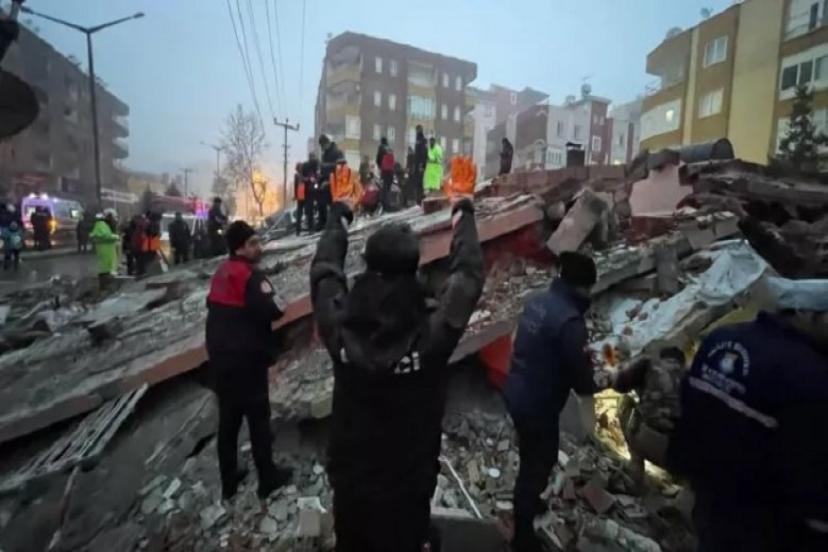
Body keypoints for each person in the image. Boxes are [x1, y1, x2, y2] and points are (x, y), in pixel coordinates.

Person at [310, 182, 485, 551]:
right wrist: (462, 211)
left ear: (368, 265)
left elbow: (324, 272)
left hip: (352, 486)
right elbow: (468, 276)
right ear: (414, 269)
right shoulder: (430, 335)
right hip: (409, 488)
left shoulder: (340, 325)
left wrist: (339, 214)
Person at [667, 276, 828, 552]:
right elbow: (808, 465)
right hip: (767, 523)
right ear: (804, 312)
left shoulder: (721, 338)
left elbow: (689, 410)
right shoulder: (810, 375)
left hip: (710, 502)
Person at [504, 252, 606, 552]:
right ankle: (523, 536)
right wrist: (603, 375)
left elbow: (515, 341)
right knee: (539, 464)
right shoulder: (570, 322)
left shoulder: (537, 301)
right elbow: (582, 378)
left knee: (530, 454)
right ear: (583, 286)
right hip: (539, 405)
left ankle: (528, 503)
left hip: (517, 390)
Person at [206, 220, 292, 501]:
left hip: (220, 360)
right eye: (253, 243)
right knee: (258, 420)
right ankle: (267, 478)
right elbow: (274, 309)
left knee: (228, 422)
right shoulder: (250, 277)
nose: (259, 248)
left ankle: (228, 481)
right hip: (247, 360)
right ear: (239, 248)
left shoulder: (221, 273)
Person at [613, 345, 687, 488]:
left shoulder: (649, 363)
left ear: (662, 356)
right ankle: (683, 487)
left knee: (625, 403)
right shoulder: (693, 378)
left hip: (647, 442)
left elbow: (619, 385)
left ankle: (635, 473)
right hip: (681, 457)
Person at [317, 134, 344, 230]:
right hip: (326, 182)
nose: (322, 147)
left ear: (327, 143)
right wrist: (320, 176)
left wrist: (329, 181)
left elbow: (341, 167)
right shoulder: (325, 154)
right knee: (322, 202)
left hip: (335, 182)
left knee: (335, 205)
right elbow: (324, 169)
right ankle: (323, 222)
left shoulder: (337, 152)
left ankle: (336, 224)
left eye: (323, 145)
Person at [89, 213, 120, 292]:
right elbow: (105, 236)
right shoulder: (102, 225)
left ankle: (104, 286)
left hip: (105, 249)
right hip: (106, 249)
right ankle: (105, 287)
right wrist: (115, 237)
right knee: (106, 267)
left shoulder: (101, 225)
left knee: (105, 266)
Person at [302, 153, 320, 234]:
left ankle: (318, 225)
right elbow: (302, 177)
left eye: (313, 157)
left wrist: (317, 179)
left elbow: (319, 174)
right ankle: (311, 228)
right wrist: (308, 179)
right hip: (308, 190)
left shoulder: (317, 164)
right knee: (309, 210)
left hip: (316, 189)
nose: (313, 158)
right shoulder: (305, 165)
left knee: (319, 207)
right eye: (311, 157)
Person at [376, 137, 395, 209]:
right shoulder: (390, 148)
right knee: (388, 187)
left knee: (383, 187)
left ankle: (384, 203)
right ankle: (388, 203)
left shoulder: (381, 148)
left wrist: (379, 166)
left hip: (384, 170)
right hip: (391, 171)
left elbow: (378, 159)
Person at [413, 126, 428, 204]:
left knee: (420, 182)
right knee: (417, 182)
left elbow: (424, 152)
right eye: (416, 130)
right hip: (417, 164)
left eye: (418, 130)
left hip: (420, 164)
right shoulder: (417, 140)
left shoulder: (422, 140)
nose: (417, 131)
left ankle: (420, 199)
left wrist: (422, 164)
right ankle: (418, 198)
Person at [293, 162, 306, 236]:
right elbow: (295, 186)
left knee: (301, 213)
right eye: (300, 167)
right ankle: (298, 230)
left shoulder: (301, 174)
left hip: (303, 195)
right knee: (300, 213)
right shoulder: (298, 175)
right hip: (301, 195)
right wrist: (295, 195)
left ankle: (299, 230)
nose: (301, 168)